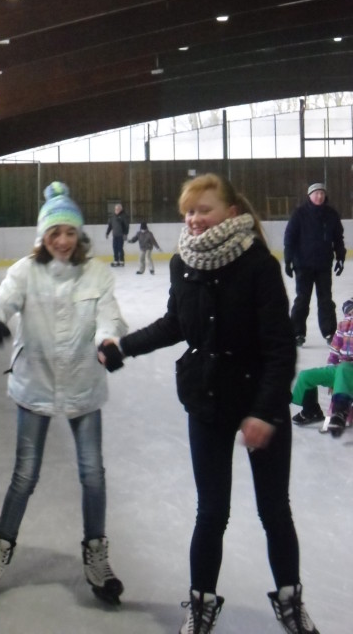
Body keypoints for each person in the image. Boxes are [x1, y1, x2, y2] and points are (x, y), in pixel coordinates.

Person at [98, 173, 319, 634]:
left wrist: (264, 412)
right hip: (208, 397)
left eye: (204, 209)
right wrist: (125, 346)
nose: (194, 219)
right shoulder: (184, 263)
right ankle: (201, 604)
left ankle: (290, 601)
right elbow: (175, 323)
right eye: (189, 211)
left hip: (259, 395)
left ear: (231, 212)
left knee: (274, 510)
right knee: (212, 511)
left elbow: (280, 348)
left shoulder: (259, 265)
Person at [0, 181, 128, 604]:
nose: (62, 241)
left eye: (70, 232)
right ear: (43, 236)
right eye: (54, 233)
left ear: (80, 235)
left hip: (82, 384)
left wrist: (108, 342)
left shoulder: (97, 273)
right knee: (25, 475)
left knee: (92, 474)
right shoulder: (25, 271)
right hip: (35, 384)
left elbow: (109, 318)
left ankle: (96, 555)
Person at [283, 182, 345, 347]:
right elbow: (289, 237)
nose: (319, 196)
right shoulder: (299, 214)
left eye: (322, 193)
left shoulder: (331, 214)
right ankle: (297, 333)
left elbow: (338, 238)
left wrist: (340, 257)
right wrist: (288, 260)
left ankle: (329, 332)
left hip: (323, 265)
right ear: (309, 196)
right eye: (316, 193)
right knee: (302, 299)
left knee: (325, 300)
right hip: (303, 265)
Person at [291, 297, 353, 437]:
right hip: (340, 369)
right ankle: (311, 410)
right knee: (306, 376)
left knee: (344, 368)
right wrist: (332, 371)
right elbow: (335, 351)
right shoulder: (343, 325)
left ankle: (340, 412)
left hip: (348, 371)